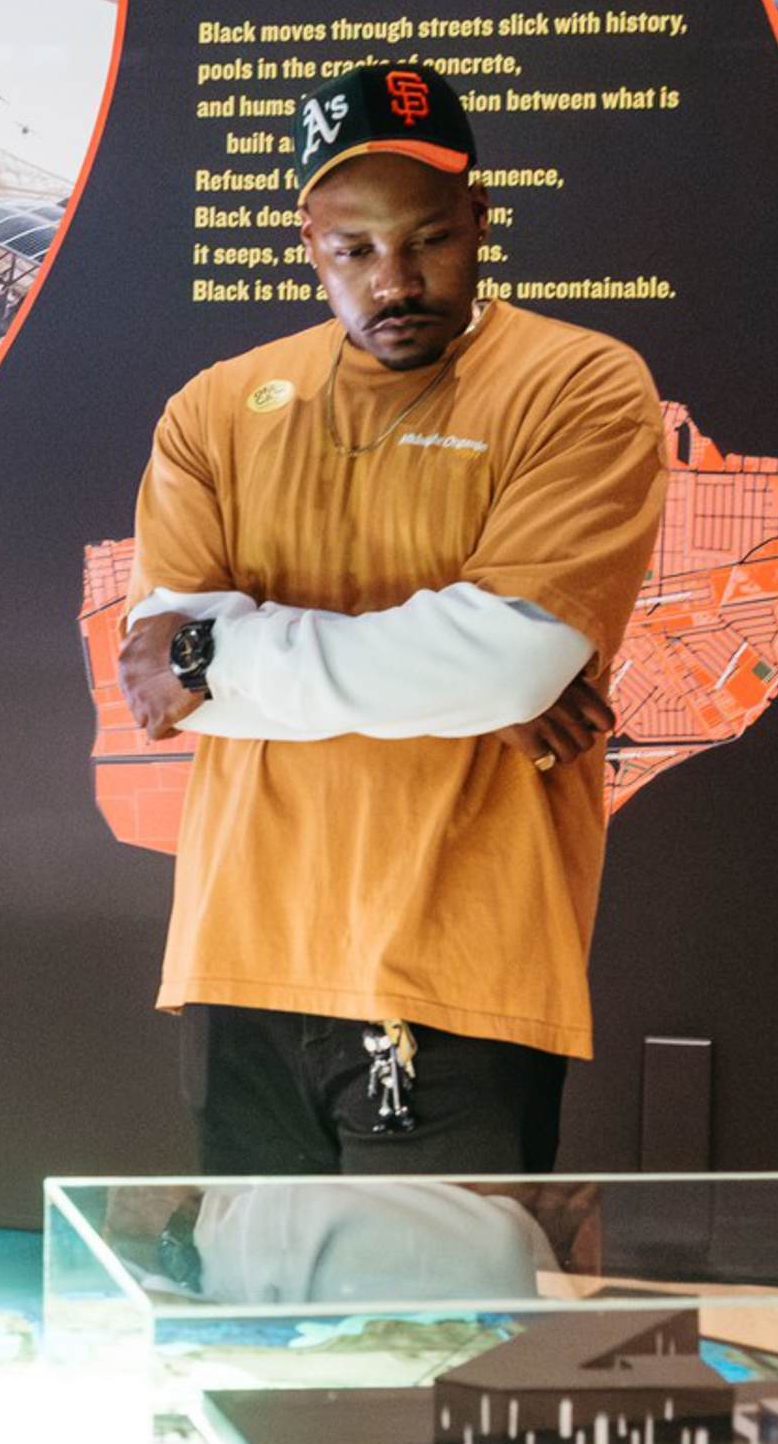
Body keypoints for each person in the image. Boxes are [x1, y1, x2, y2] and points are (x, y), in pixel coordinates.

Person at [118, 60, 668, 1177]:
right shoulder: (216, 408)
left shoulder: (579, 383)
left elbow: (508, 657)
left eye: (428, 240)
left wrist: (228, 656)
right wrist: (449, 682)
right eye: (353, 250)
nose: (395, 280)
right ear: (307, 243)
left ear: (479, 219)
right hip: (237, 957)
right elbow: (155, 673)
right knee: (258, 1344)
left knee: (429, 1345)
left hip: (460, 968)